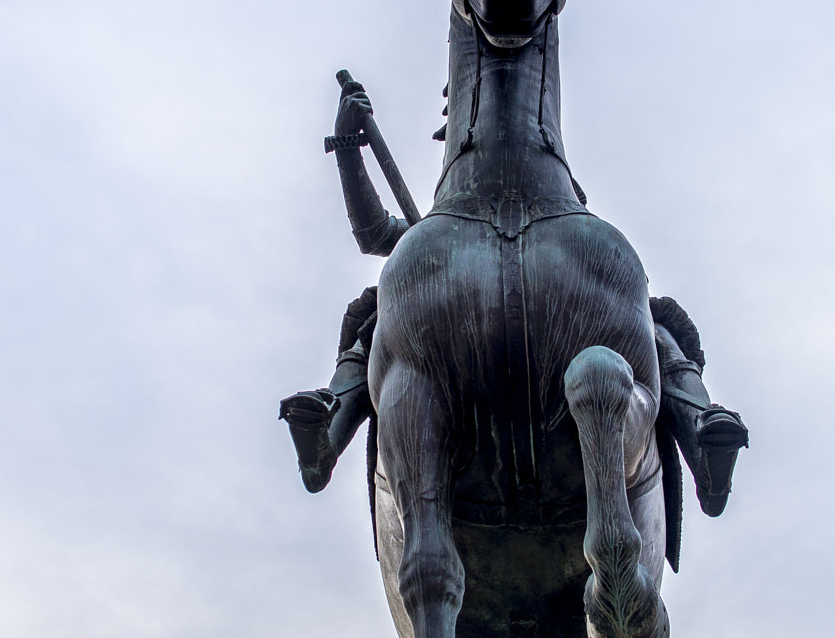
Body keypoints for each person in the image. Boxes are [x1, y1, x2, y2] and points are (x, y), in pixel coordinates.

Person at [278, 79, 749, 552]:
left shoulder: (575, 240)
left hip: (569, 305)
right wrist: (345, 147)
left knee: (654, 326)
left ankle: (702, 436)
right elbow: (375, 231)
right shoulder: (442, 233)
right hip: (456, 318)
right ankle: (327, 432)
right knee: (380, 322)